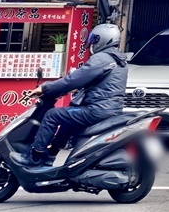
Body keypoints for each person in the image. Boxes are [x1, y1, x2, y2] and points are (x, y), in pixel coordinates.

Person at [15, 23, 127, 167]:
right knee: (68, 118)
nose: (92, 43)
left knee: (52, 115)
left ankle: (34, 158)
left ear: (103, 40)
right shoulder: (118, 60)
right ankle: (49, 156)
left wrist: (45, 88)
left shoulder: (101, 59)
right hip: (109, 109)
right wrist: (75, 89)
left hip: (96, 110)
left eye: (94, 40)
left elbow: (73, 80)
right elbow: (99, 84)